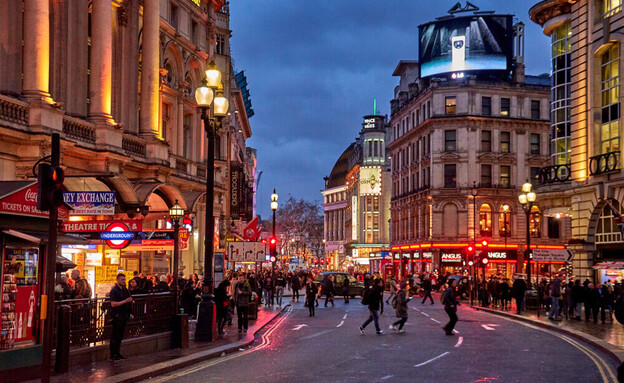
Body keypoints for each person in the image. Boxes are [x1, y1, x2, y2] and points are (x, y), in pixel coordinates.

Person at [109, 273, 133, 361]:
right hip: (117, 315)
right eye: (122, 280)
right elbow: (113, 304)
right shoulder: (114, 290)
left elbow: (128, 298)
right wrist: (125, 301)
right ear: (118, 280)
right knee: (115, 335)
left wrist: (130, 302)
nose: (124, 281)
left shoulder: (124, 290)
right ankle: (112, 355)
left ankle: (117, 353)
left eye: (124, 279)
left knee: (120, 335)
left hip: (124, 315)